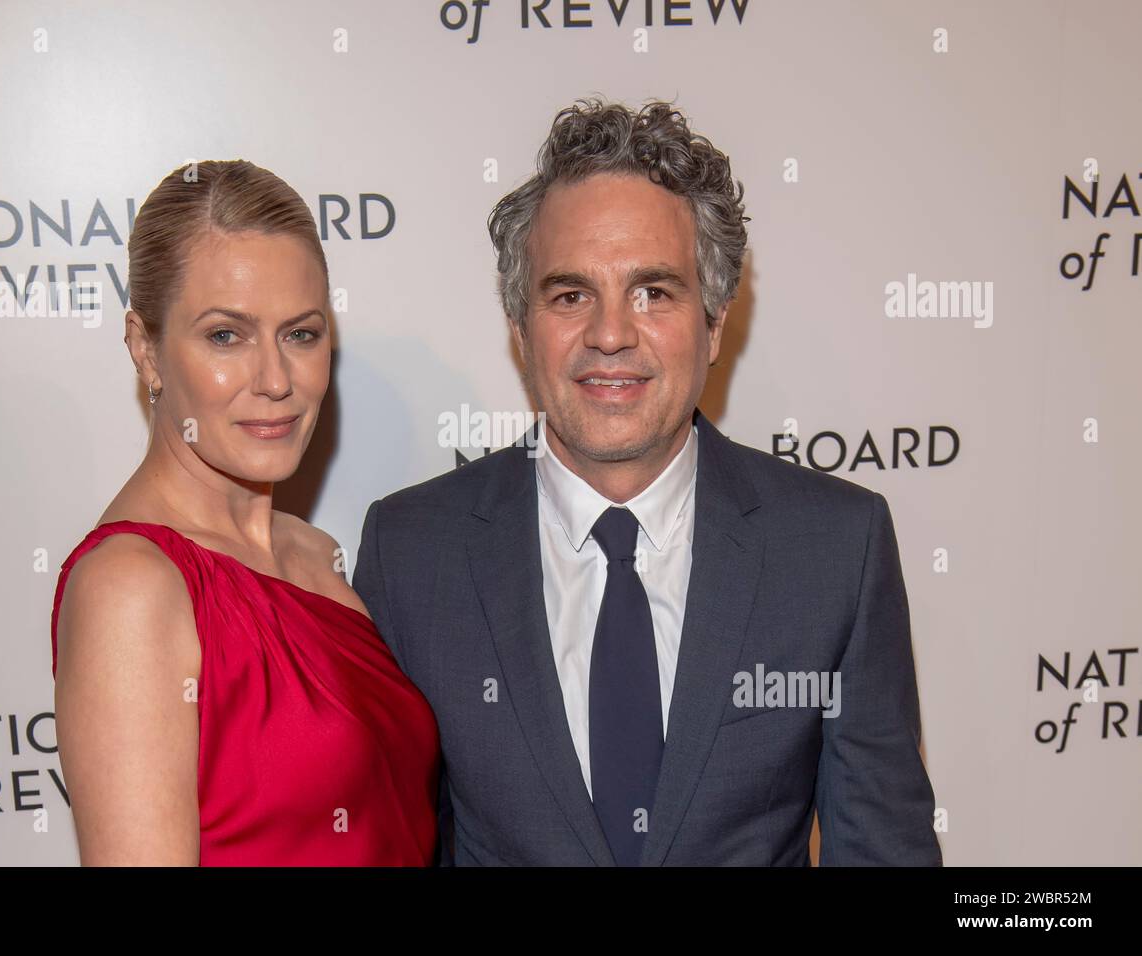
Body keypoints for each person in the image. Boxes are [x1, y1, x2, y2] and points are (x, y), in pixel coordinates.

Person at [353, 98, 943, 866]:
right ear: (519, 325)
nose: (609, 334)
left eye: (653, 292)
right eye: (571, 295)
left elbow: (884, 850)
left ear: (715, 320)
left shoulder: (834, 548)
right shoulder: (412, 552)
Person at [51, 160, 438, 866]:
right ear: (146, 350)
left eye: (301, 334)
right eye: (226, 336)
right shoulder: (132, 589)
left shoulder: (315, 556)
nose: (275, 381)